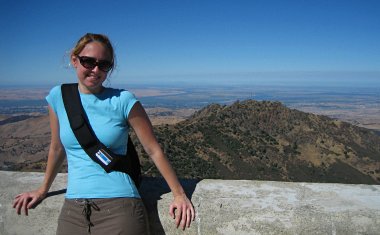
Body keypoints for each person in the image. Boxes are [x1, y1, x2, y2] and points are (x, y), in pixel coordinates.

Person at [13, 33, 195, 234]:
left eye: (104, 64)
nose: (96, 70)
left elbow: (153, 150)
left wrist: (179, 194)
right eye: (88, 62)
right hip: (73, 210)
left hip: (122, 207)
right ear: (74, 60)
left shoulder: (123, 100)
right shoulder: (59, 96)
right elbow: (57, 147)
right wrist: (42, 190)